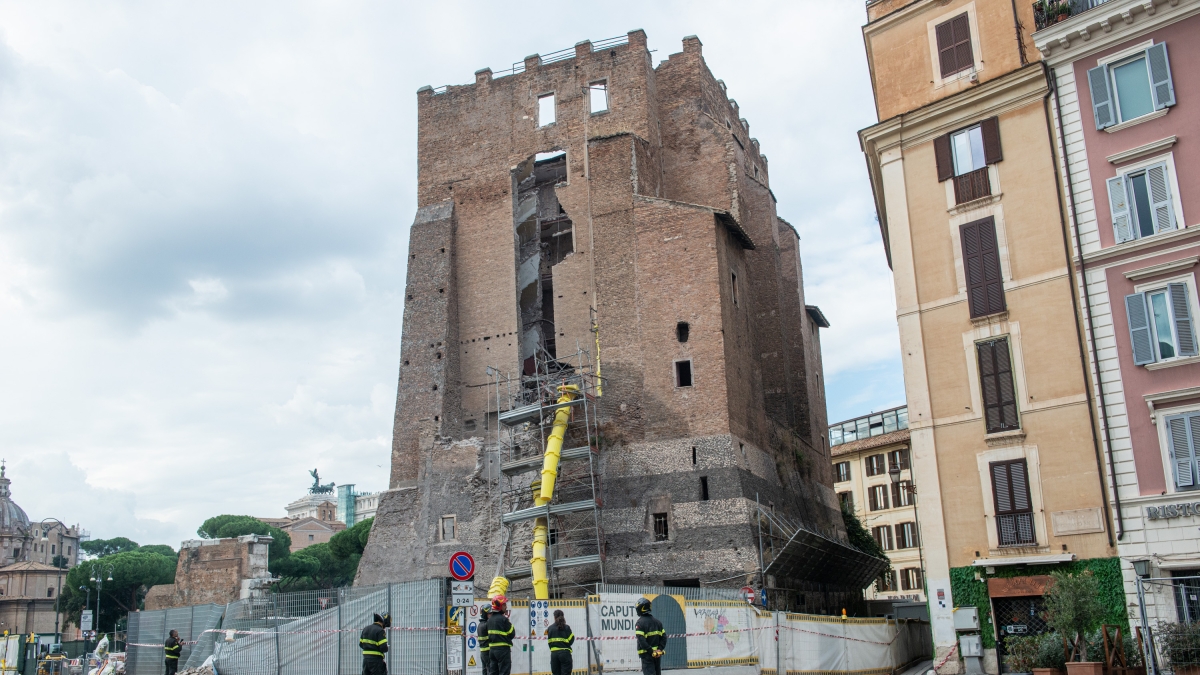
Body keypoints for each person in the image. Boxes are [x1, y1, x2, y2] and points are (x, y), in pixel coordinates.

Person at [634, 598, 665, 675]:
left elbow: (641, 640)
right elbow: (664, 637)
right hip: (657, 655)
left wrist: (651, 651)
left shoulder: (640, 623)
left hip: (646, 655)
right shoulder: (658, 622)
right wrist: (659, 649)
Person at [486, 595, 515, 675]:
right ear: (500, 606)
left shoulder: (489, 620)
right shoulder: (503, 619)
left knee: (493, 672)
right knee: (504, 672)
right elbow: (512, 633)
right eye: (504, 605)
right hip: (503, 651)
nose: (506, 607)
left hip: (492, 651)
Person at [547, 609, 575, 675]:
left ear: (554, 617)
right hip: (565, 654)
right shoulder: (566, 627)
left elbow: (549, 642)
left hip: (554, 655)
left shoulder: (550, 628)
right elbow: (571, 640)